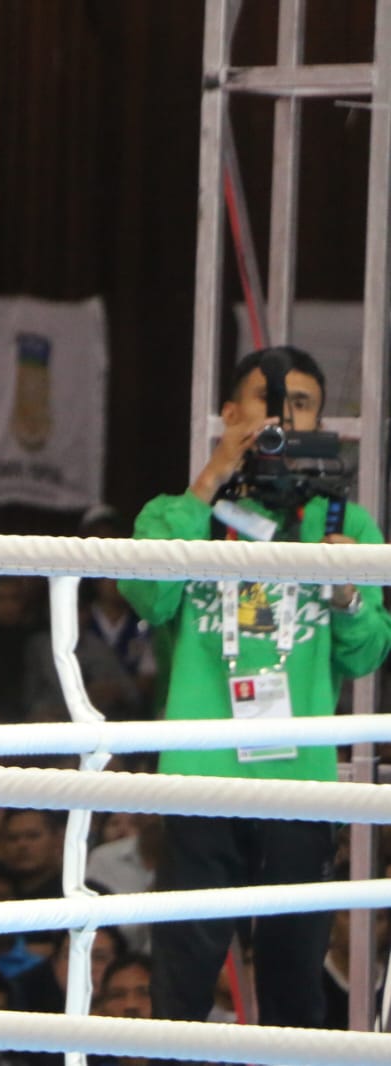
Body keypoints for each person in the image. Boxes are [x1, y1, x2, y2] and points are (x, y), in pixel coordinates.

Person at [119, 346, 391, 1029]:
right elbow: (146, 599)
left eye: (299, 403)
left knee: (292, 975)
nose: (282, 416)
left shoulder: (343, 525)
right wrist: (211, 476)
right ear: (231, 414)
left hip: (296, 782)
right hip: (198, 776)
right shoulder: (179, 513)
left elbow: (367, 657)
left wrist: (346, 598)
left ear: (318, 420)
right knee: (182, 971)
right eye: (267, 402)